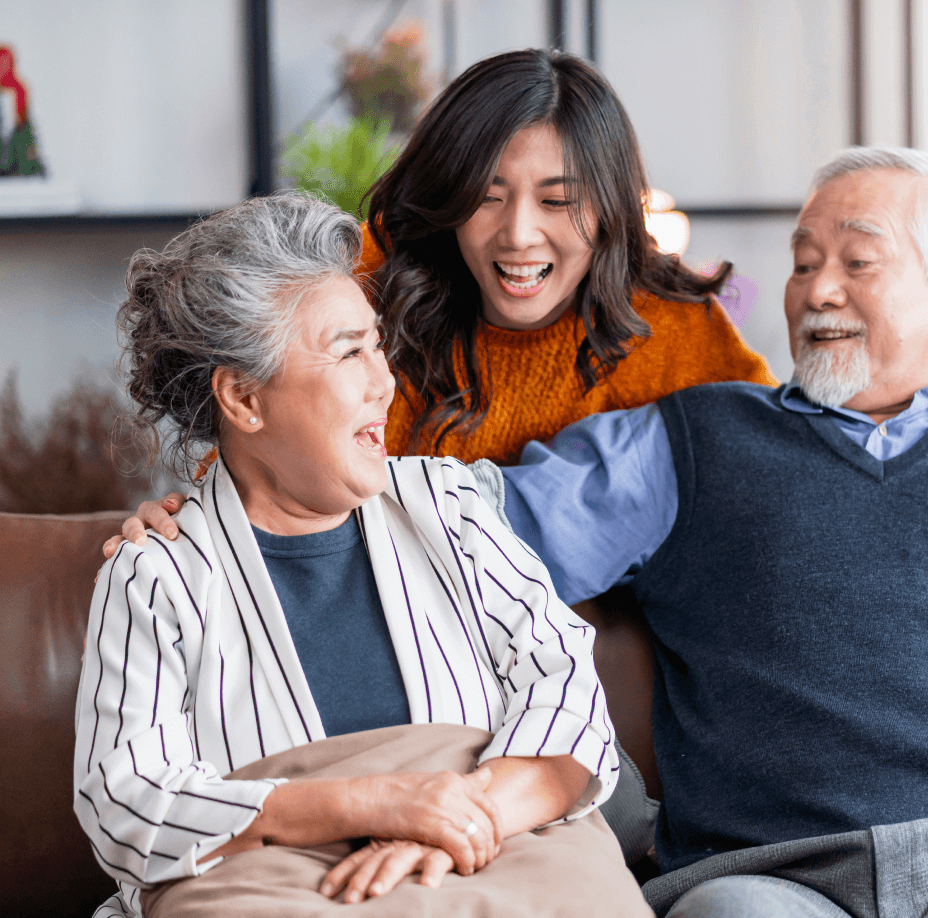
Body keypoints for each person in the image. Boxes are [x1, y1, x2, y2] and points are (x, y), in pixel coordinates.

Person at [115, 149, 928, 917]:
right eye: (804, 257)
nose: (814, 287)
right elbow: (451, 526)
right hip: (766, 875)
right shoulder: (692, 440)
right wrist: (218, 496)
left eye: (856, 262)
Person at [76, 194, 647, 918]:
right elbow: (126, 807)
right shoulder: (157, 572)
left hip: (490, 863)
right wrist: (372, 802)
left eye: (377, 346)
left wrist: (464, 818)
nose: (385, 382)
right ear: (244, 398)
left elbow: (566, 690)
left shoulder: (452, 507)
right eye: (350, 352)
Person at [362, 47, 775, 464]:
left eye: (557, 200)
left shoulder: (670, 327)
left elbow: (784, 466)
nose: (519, 235)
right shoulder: (365, 277)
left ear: (610, 209)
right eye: (486, 195)